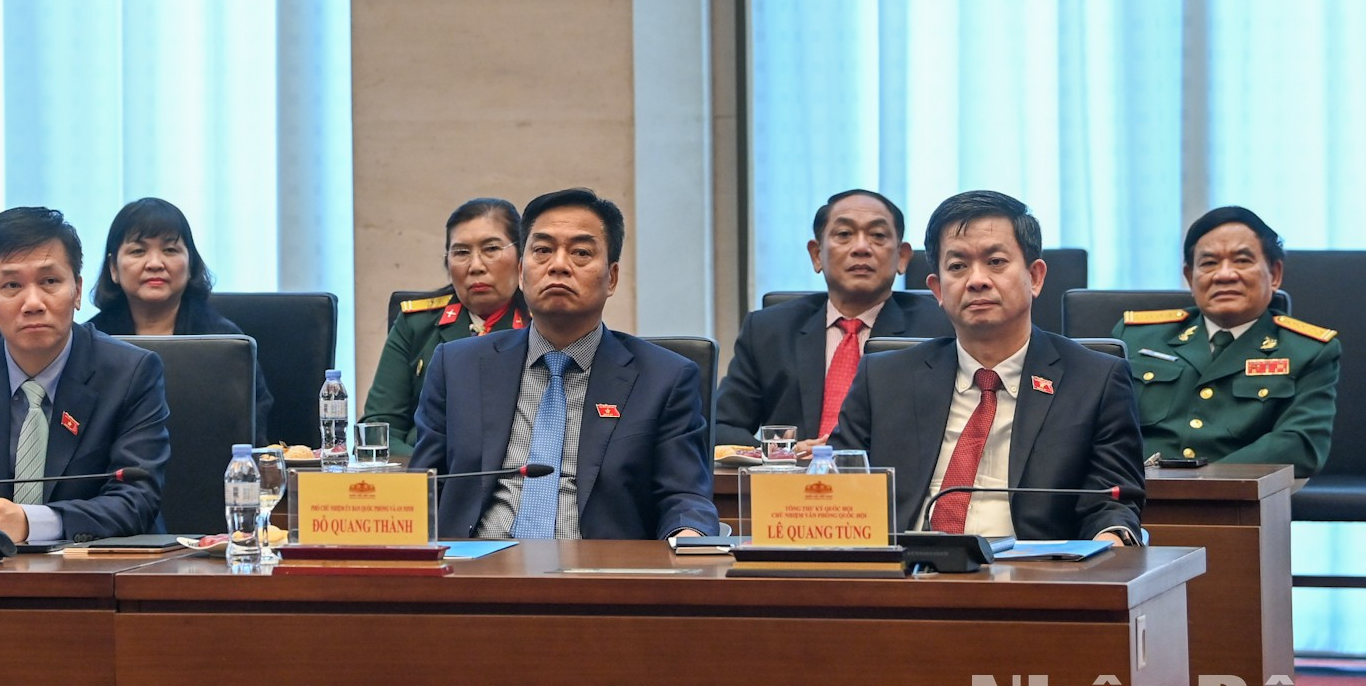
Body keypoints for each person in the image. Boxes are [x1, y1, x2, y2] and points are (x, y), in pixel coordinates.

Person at [830, 190, 1143, 543]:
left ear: (1035, 277)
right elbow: (840, 492)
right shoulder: (884, 379)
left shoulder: (1095, 381)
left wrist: (1110, 541)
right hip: (903, 577)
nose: (977, 280)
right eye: (958, 266)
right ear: (937, 289)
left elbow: (1112, 503)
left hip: (1032, 580)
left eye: (995, 262)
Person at [409, 188, 718, 540]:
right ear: (523, 273)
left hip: (599, 576)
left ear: (612, 277)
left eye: (581, 253)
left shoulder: (665, 378)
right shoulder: (457, 365)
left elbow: (684, 496)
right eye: (542, 250)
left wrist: (688, 534)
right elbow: (424, 487)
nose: (558, 265)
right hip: (474, 571)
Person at [0, 206, 168, 543]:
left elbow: (136, 500)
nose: (33, 302)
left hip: (99, 574)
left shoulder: (131, 373)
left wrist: (29, 522)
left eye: (50, 281)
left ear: (77, 291)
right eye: (11, 285)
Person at [712, 189, 951, 452]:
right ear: (816, 254)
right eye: (844, 234)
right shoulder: (769, 331)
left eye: (878, 236)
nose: (861, 248)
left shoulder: (940, 328)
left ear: (902, 257)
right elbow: (721, 427)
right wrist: (780, 454)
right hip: (792, 486)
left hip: (896, 488)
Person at [1112, 206, 1338, 478]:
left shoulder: (1308, 350)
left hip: (1240, 502)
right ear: (1189, 277)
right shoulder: (1136, 337)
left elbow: (1301, 443)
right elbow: (1102, 427)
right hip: (1136, 497)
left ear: (1275, 274)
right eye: (1208, 263)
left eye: (1242, 260)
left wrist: (1208, 480)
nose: (1224, 274)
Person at [86, 196, 270, 443]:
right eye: (138, 251)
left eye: (170, 250)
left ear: (191, 263)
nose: (155, 263)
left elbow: (251, 429)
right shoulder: (90, 343)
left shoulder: (225, 342)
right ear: (113, 268)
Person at [363, 197, 527, 451]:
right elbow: (378, 430)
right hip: (425, 479)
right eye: (461, 252)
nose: (475, 266)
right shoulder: (417, 325)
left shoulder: (541, 326)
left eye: (491, 249)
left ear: (522, 257)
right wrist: (428, 472)